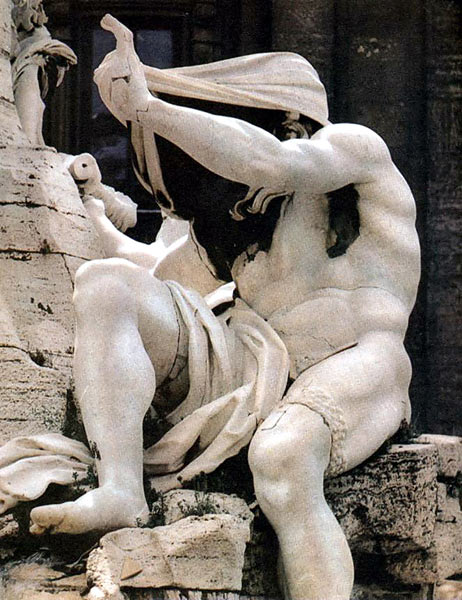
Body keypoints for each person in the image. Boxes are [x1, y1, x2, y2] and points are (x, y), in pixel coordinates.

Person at [29, 16, 420, 600]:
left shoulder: (354, 152)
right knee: (106, 284)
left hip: (361, 361)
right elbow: (148, 269)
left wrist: (150, 109)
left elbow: (274, 163)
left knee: (283, 458)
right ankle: (120, 489)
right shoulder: (239, 226)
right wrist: (89, 205)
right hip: (258, 368)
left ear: (288, 123)